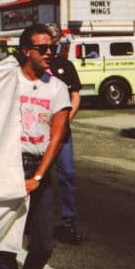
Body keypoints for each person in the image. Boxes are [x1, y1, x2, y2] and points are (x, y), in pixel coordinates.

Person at [0, 24, 71, 269]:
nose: (49, 53)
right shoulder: (7, 81)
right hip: (8, 166)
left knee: (44, 241)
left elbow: (57, 137)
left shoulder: (57, 88)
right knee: (6, 240)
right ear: (27, 51)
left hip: (38, 167)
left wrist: (39, 177)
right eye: (42, 48)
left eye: (52, 47)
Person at [46, 25, 83, 244]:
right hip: (37, 131)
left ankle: (67, 222)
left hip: (62, 132)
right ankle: (36, 220)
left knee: (67, 175)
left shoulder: (65, 66)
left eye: (53, 38)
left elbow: (75, 96)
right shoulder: (34, 66)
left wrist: (64, 121)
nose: (50, 44)